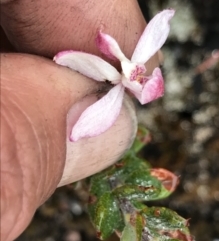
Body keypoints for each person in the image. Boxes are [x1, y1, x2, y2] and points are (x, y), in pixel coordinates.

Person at [0, 0, 159, 240]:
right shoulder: (109, 87)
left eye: (139, 77)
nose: (140, 76)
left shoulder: (128, 74)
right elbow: (70, 60)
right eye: (137, 75)